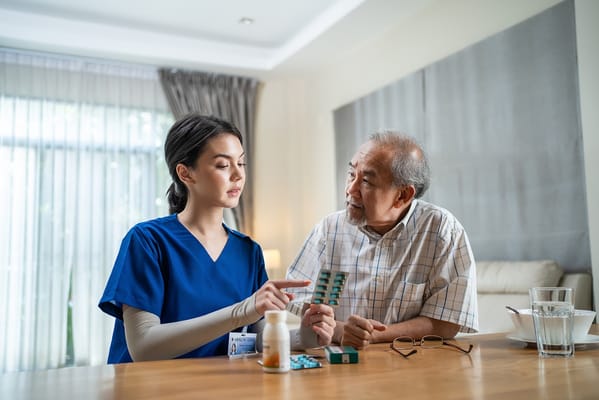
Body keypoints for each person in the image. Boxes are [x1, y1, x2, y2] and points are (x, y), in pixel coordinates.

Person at [99, 113, 335, 363]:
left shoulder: (248, 251)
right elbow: (143, 347)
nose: (238, 175)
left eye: (241, 164)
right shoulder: (147, 241)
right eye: (223, 165)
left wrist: (305, 337)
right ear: (185, 173)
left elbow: (257, 339)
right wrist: (241, 311)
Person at [286, 131, 478, 349]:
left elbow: (447, 322)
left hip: (414, 367)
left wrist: (373, 336)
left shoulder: (442, 231)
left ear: (403, 196)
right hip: (340, 368)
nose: (351, 189)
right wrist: (337, 330)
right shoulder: (329, 230)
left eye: (366, 181)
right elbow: (296, 295)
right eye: (351, 174)